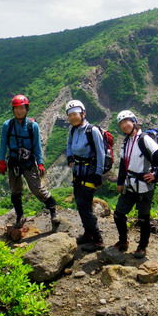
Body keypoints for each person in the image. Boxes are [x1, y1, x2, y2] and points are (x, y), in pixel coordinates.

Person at [112, 110, 158, 258]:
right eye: (121, 123)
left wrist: (155, 175)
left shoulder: (143, 139)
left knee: (143, 217)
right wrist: (120, 182)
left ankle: (142, 247)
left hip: (144, 185)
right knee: (119, 214)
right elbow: (123, 163)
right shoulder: (126, 141)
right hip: (130, 183)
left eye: (127, 121)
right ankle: (123, 241)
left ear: (134, 122)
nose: (124, 125)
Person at [0, 95, 59, 228]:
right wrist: (2, 162)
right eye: (16, 108)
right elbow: (3, 144)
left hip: (28, 161)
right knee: (15, 191)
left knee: (37, 189)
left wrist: (40, 163)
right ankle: (20, 216)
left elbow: (37, 146)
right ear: (13, 110)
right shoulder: (7, 125)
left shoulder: (33, 126)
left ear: (26, 109)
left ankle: (53, 209)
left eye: (22, 108)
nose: (19, 111)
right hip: (13, 161)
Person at [66, 99, 105, 251]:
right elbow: (69, 144)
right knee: (80, 204)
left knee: (85, 206)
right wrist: (70, 156)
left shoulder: (92, 131)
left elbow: (100, 153)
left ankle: (98, 239)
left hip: (90, 173)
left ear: (82, 113)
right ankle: (88, 234)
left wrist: (98, 174)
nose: (72, 118)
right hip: (78, 173)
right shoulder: (72, 130)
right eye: (70, 115)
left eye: (75, 114)